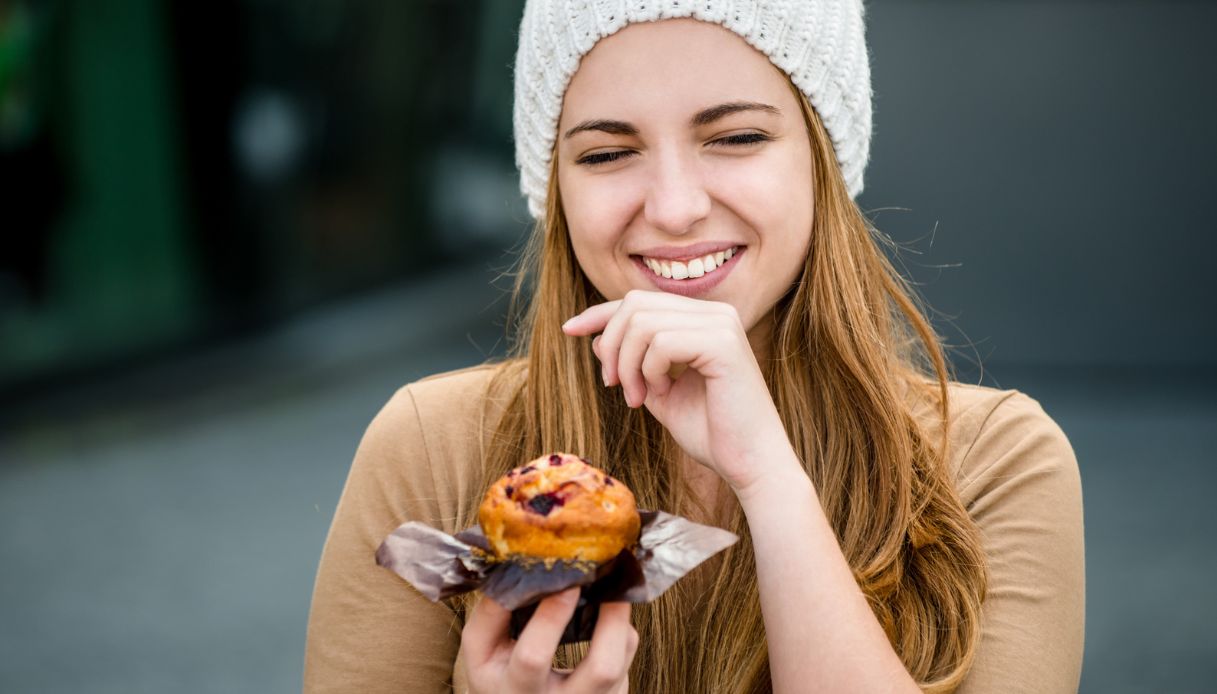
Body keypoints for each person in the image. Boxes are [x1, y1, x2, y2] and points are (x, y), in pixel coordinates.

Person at [303, 1, 1085, 692]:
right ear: (556, 189)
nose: (675, 208)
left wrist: (767, 477)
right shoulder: (431, 446)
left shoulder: (993, 460)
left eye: (736, 137)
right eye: (607, 154)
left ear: (821, 159)